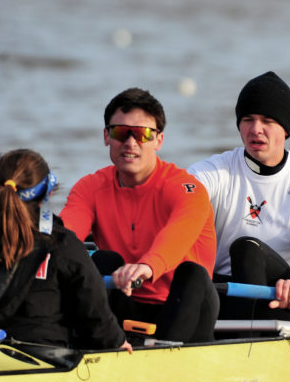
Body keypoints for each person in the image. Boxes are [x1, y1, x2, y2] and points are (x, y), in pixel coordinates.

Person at [62, 88, 218, 343]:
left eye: (143, 134)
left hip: (184, 307)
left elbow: (178, 234)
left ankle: (167, 358)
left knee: (192, 273)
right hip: (126, 302)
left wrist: (147, 266)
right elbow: (66, 235)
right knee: (102, 261)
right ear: (106, 136)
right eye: (121, 132)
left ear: (159, 140)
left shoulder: (186, 188)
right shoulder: (89, 187)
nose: (131, 143)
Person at [189, 71, 290, 319]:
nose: (256, 129)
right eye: (248, 119)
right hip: (222, 293)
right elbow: (178, 200)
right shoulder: (215, 171)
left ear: (288, 127)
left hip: (283, 302)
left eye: (267, 121)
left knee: (247, 249)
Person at [0, 149, 131, 353]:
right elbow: (94, 311)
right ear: (49, 190)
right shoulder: (62, 243)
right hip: (44, 355)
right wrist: (116, 342)